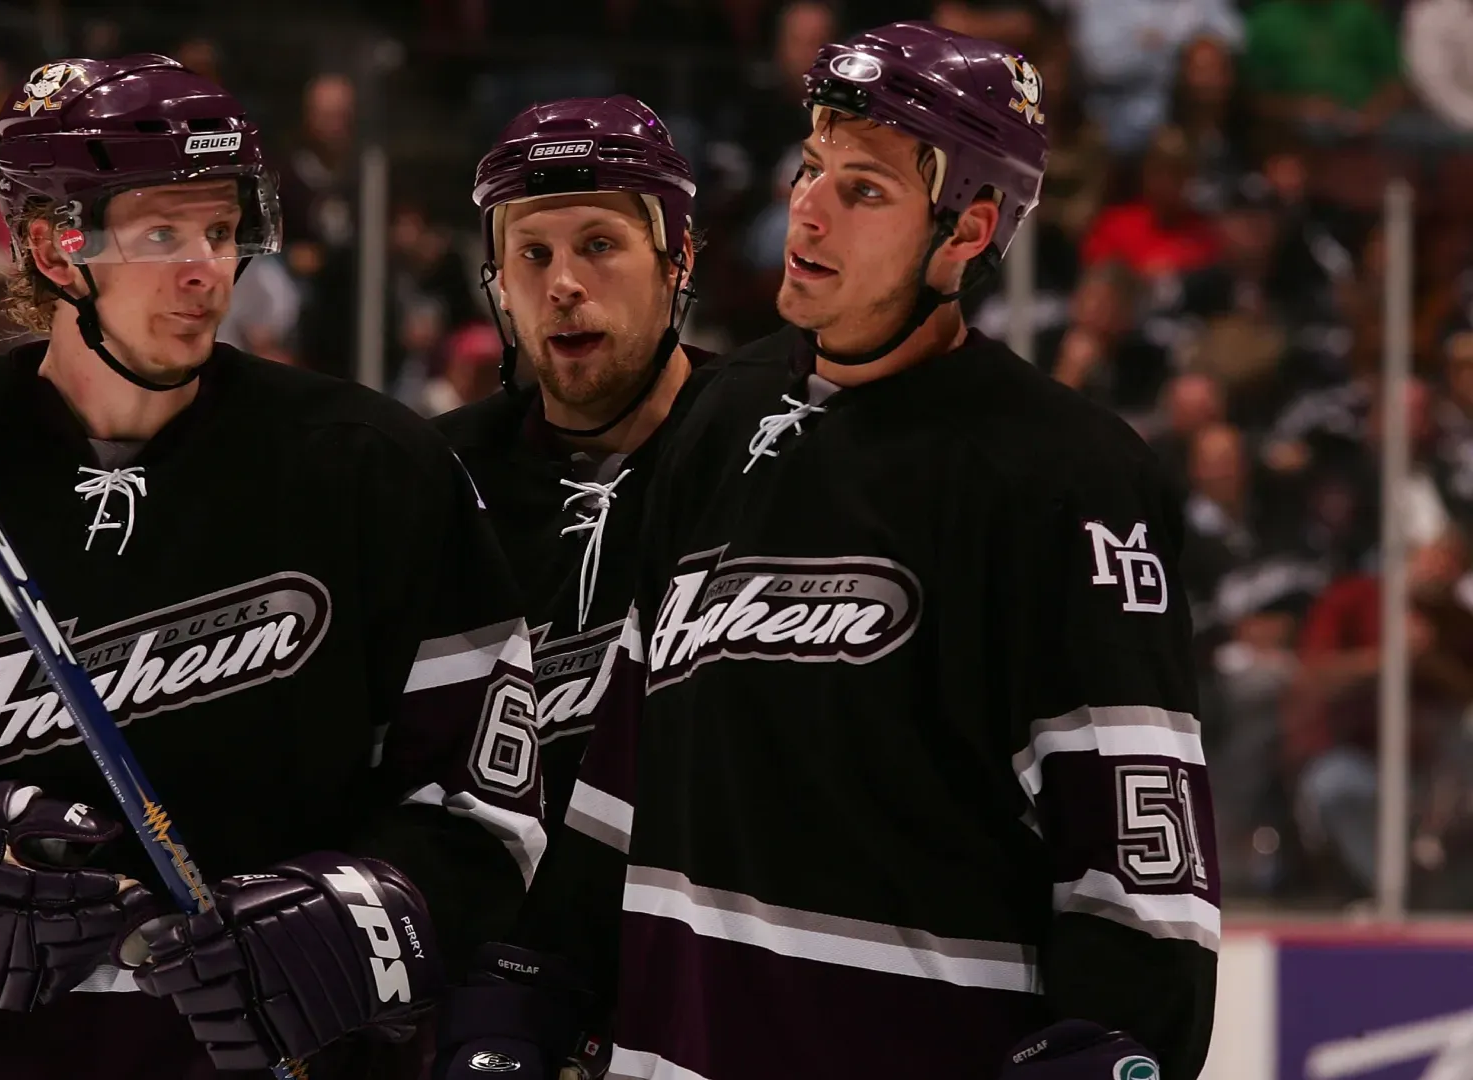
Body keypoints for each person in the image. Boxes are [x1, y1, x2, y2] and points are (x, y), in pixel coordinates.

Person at [0, 54, 544, 1080]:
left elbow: (485, 808)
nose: (209, 271)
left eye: (223, 232)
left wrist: (367, 921)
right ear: (54, 246)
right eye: (161, 234)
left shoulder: (375, 471)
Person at [436, 23, 1217, 1080]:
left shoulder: (1064, 476)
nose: (805, 208)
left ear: (967, 230)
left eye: (865, 190)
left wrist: (1120, 1042)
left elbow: (1139, 868)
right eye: (811, 169)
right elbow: (625, 778)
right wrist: (535, 978)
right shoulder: (719, 421)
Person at [436, 95, 712, 832]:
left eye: (598, 244)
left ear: (677, 260)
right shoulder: (438, 477)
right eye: (533, 254)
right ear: (498, 282)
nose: (562, 284)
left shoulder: (761, 446)